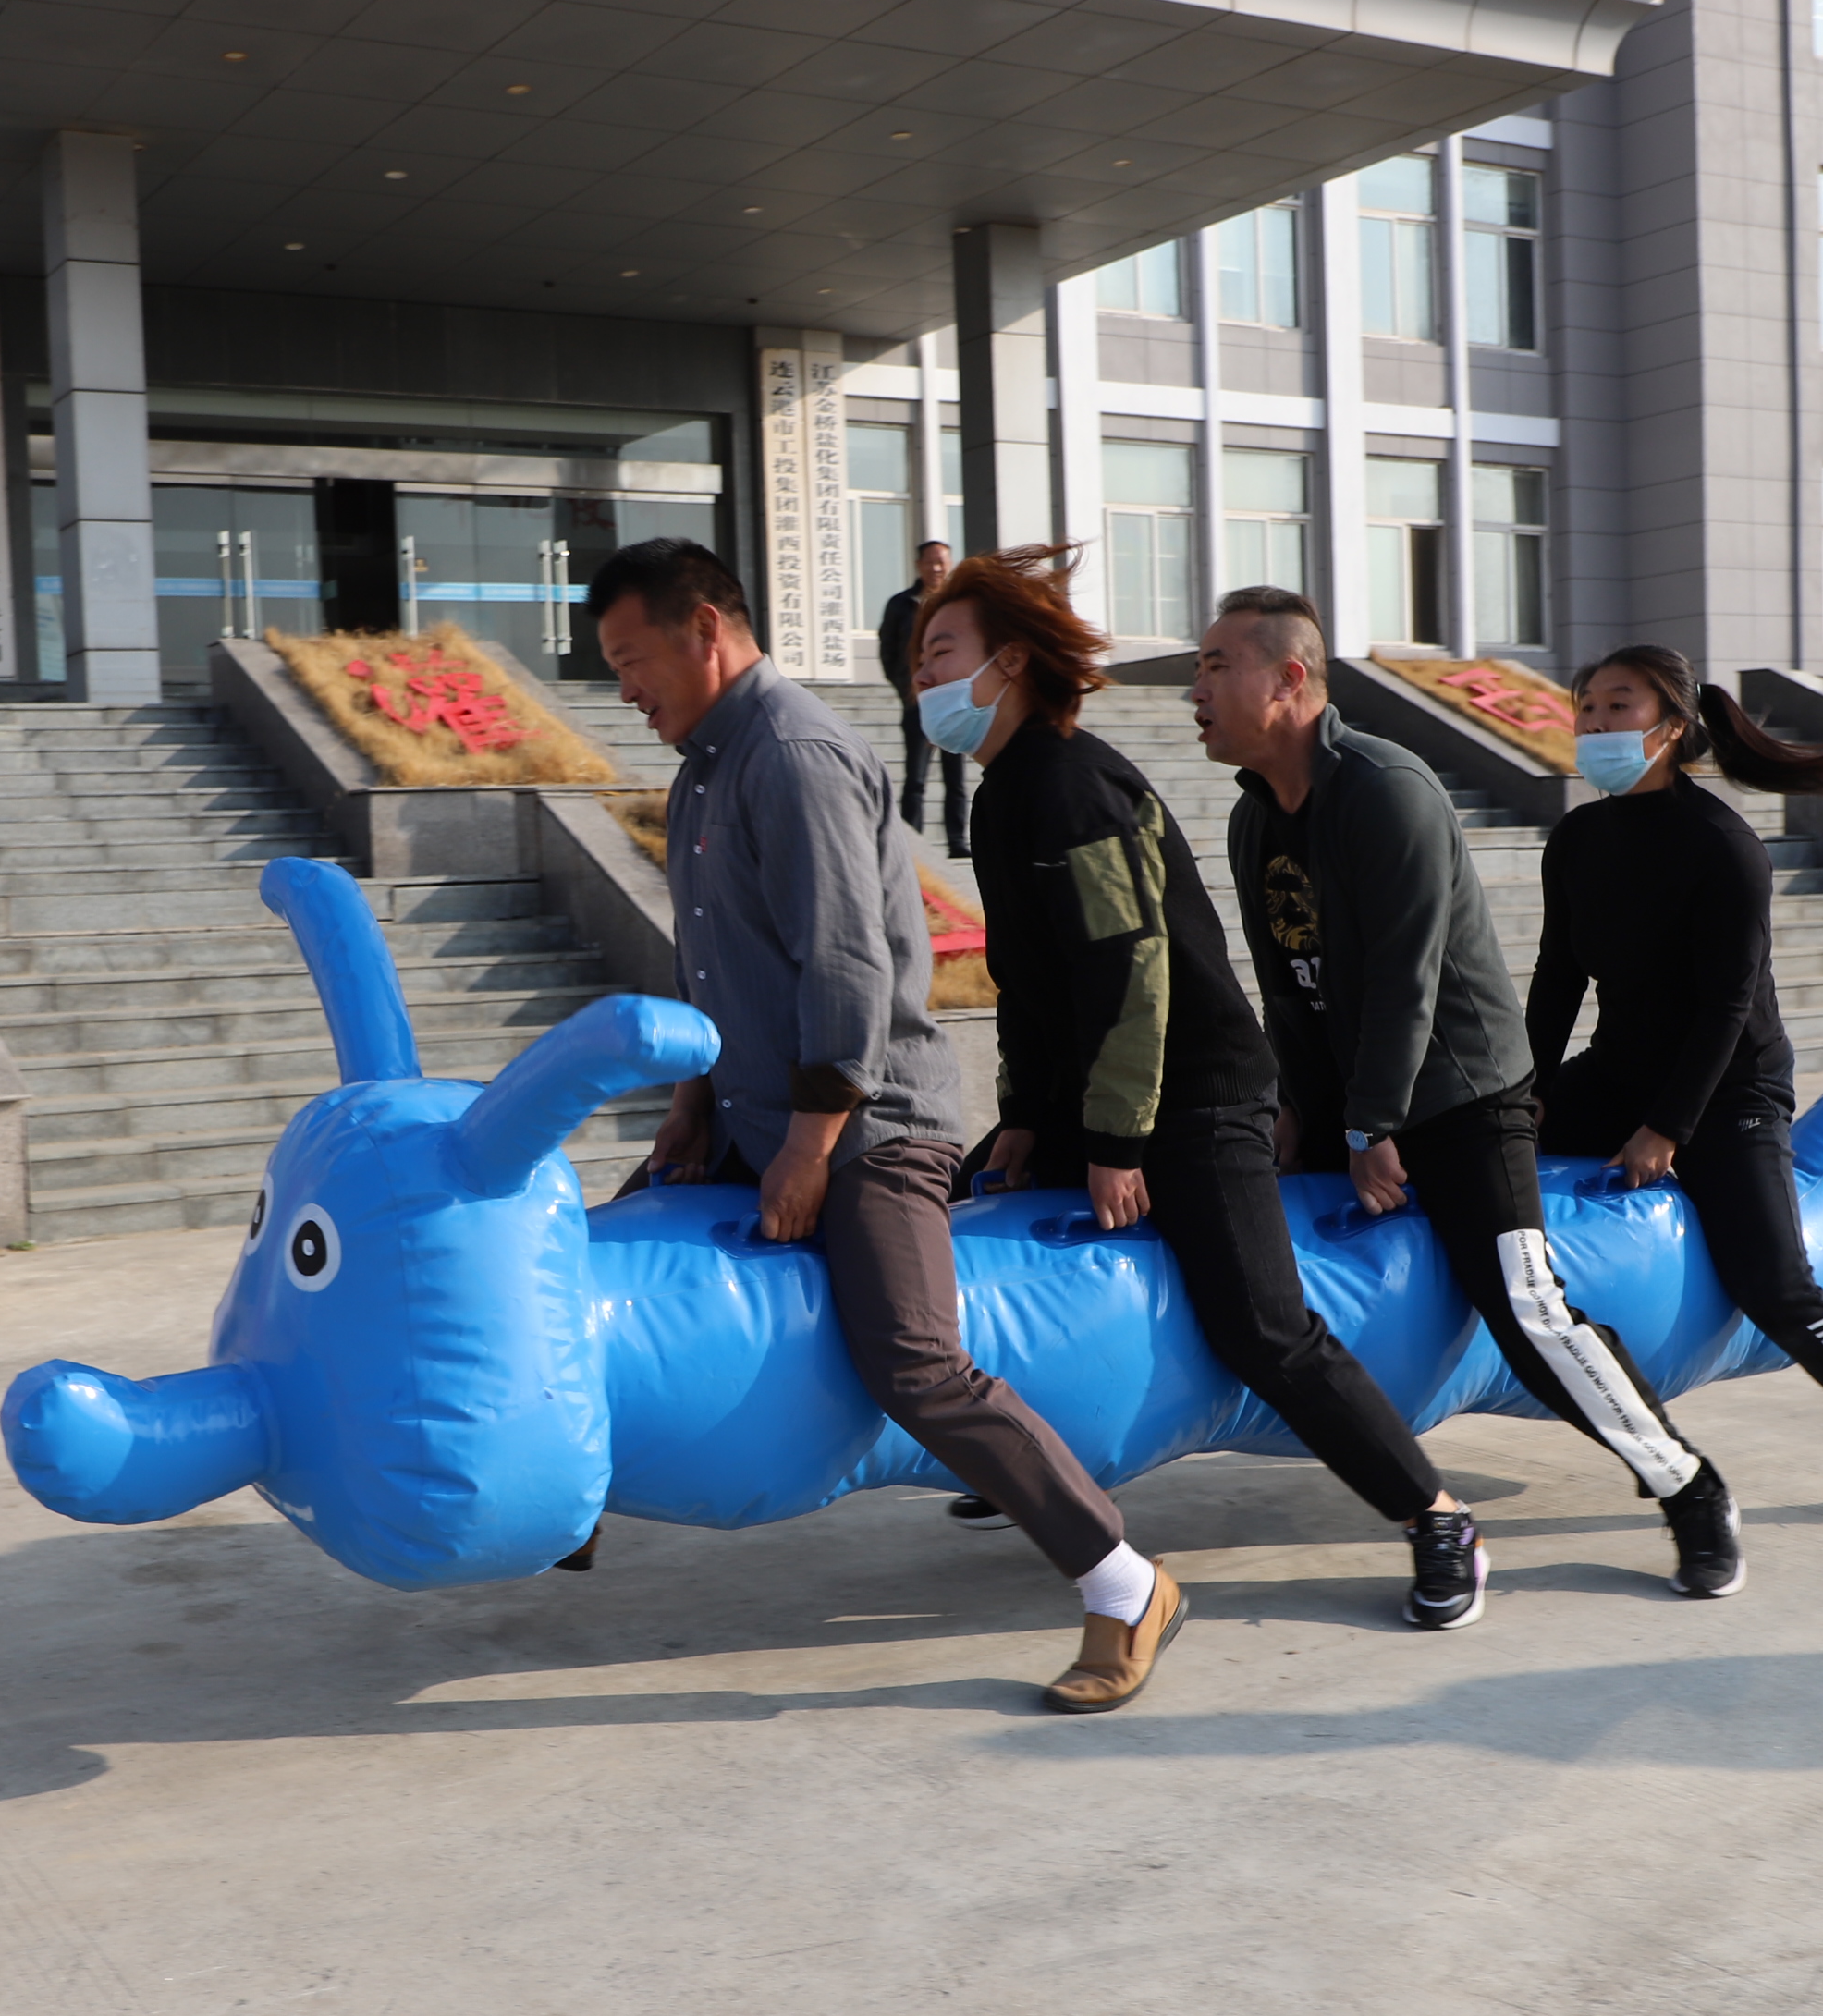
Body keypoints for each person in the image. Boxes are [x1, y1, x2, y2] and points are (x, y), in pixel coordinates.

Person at [595, 537, 1187, 1711]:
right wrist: (690, 1105)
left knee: (916, 1363)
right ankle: (557, 1508)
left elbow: (847, 972)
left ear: (703, 630)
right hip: (750, 1110)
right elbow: (707, 961)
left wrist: (808, 1151)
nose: (623, 689)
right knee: (601, 1253)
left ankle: (1124, 1584)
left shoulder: (793, 752)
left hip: (869, 1123)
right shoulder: (702, 767)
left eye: (628, 659)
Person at [911, 544, 1496, 1616]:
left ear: (1009, 661)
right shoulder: (1003, 795)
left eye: (939, 649)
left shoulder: (1072, 785)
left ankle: (1435, 1515)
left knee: (1262, 1327)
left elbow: (1128, 973)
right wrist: (1024, 1118)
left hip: (1195, 1095)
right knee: (981, 1238)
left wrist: (1113, 1141)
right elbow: (1029, 987)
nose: (920, 674)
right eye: (915, 655)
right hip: (1102, 1096)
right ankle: (1039, 1460)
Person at [1197, 585, 1744, 1617]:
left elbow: (1404, 980)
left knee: (1527, 1311)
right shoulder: (1250, 818)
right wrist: (1296, 1108)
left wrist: (1370, 1124)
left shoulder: (1385, 790)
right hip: (1352, 1101)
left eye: (1216, 665)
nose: (1197, 689)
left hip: (1460, 1096)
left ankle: (1684, 1481)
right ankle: (1429, 1512)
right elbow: (1287, 986)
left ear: (1288, 679)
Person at [1532, 645, 1823, 1537]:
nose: (1595, 723)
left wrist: (1666, 1128)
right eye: (1586, 707)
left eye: (1618, 705)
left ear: (1672, 725)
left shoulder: (1722, 846)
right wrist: (1528, 1092)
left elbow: (1726, 1007)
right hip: (1616, 1071)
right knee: (1471, 1153)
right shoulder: (1578, 837)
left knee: (1777, 1288)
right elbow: (1556, 978)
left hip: (1729, 1089)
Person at [876, 538, 968, 859]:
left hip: (954, 702)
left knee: (955, 778)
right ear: (918, 565)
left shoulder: (960, 606)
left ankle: (957, 840)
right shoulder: (901, 605)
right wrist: (908, 689)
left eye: (942, 561)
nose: (936, 568)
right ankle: (911, 841)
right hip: (918, 702)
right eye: (930, 561)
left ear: (951, 564)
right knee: (916, 777)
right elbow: (888, 652)